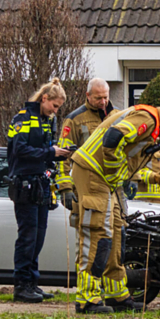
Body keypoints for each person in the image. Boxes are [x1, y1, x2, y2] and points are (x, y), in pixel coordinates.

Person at [70, 100, 160, 314]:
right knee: (99, 235)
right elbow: (113, 138)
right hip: (94, 174)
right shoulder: (148, 119)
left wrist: (143, 176)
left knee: (118, 232)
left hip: (104, 179)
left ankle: (117, 294)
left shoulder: (150, 126)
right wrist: (113, 172)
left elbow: (126, 158)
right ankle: (87, 298)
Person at [7, 78, 73, 303]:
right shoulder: (22, 118)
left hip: (42, 183)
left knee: (39, 236)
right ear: (44, 99)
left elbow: (46, 148)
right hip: (25, 183)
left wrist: (58, 153)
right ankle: (21, 285)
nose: (56, 111)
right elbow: (20, 149)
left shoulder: (48, 121)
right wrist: (50, 153)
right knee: (27, 236)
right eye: (54, 106)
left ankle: (32, 283)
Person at [55, 78, 113, 226]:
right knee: (87, 231)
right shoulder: (75, 120)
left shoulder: (116, 117)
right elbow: (63, 155)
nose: (103, 102)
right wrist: (65, 187)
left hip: (112, 186)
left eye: (106, 97)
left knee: (115, 232)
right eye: (98, 98)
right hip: (86, 187)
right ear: (88, 95)